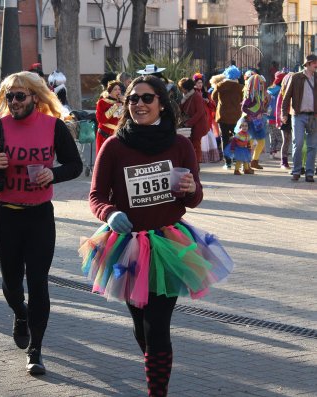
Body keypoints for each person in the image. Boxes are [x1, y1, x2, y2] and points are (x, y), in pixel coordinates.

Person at [80, 75, 233, 396]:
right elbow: (96, 196)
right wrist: (110, 213)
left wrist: (191, 189)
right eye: (133, 99)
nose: (138, 104)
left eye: (147, 98)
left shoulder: (178, 145)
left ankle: (157, 392)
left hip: (168, 245)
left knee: (157, 325)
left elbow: (193, 198)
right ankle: (154, 363)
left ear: (162, 104)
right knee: (141, 328)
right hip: (126, 246)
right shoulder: (115, 145)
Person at [0, 71, 82, 375]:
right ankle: (20, 313)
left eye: (19, 96)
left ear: (35, 98)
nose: (13, 102)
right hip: (8, 214)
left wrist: (53, 173)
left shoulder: (53, 127)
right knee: (12, 283)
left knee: (38, 282)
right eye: (9, 96)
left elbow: (75, 165)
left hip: (40, 214)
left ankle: (36, 350)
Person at [281, 54, 317, 182]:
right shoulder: (296, 77)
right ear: (307, 64)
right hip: (298, 115)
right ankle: (296, 171)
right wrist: (284, 113)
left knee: (312, 146)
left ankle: (309, 173)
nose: (316, 65)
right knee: (299, 143)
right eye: (314, 63)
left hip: (313, 116)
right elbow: (286, 97)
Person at [212, 65, 244, 169]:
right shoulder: (240, 87)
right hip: (236, 117)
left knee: (224, 139)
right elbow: (243, 100)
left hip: (223, 116)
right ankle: (238, 159)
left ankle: (227, 162)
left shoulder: (220, 85)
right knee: (237, 138)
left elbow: (213, 97)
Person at [178, 78, 210, 164]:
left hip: (197, 125)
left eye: (182, 88)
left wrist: (188, 123)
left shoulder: (196, 96)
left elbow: (200, 112)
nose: (181, 90)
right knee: (192, 144)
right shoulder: (187, 96)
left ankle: (196, 164)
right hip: (192, 125)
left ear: (186, 88)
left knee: (196, 145)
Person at [241, 74, 269, 170]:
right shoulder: (250, 95)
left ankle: (254, 161)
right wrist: (252, 114)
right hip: (250, 123)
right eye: (260, 83)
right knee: (250, 144)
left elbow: (260, 108)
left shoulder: (259, 95)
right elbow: (243, 108)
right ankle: (246, 165)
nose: (262, 85)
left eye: (262, 84)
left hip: (258, 122)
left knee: (261, 142)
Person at [95, 80, 123, 155]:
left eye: (119, 89)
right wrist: (115, 107)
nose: (118, 91)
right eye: (115, 89)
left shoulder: (122, 102)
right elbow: (101, 120)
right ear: (110, 91)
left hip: (118, 135)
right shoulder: (102, 102)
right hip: (105, 135)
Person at [275, 72, 293, 169]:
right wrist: (280, 119)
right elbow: (278, 107)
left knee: (295, 140)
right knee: (286, 140)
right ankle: (284, 161)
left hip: (295, 116)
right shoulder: (282, 93)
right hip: (285, 117)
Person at [266, 71, 286, 160]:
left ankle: (271, 152)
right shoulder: (282, 89)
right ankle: (278, 152)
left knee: (272, 136)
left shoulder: (270, 88)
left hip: (269, 115)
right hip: (278, 115)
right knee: (280, 136)